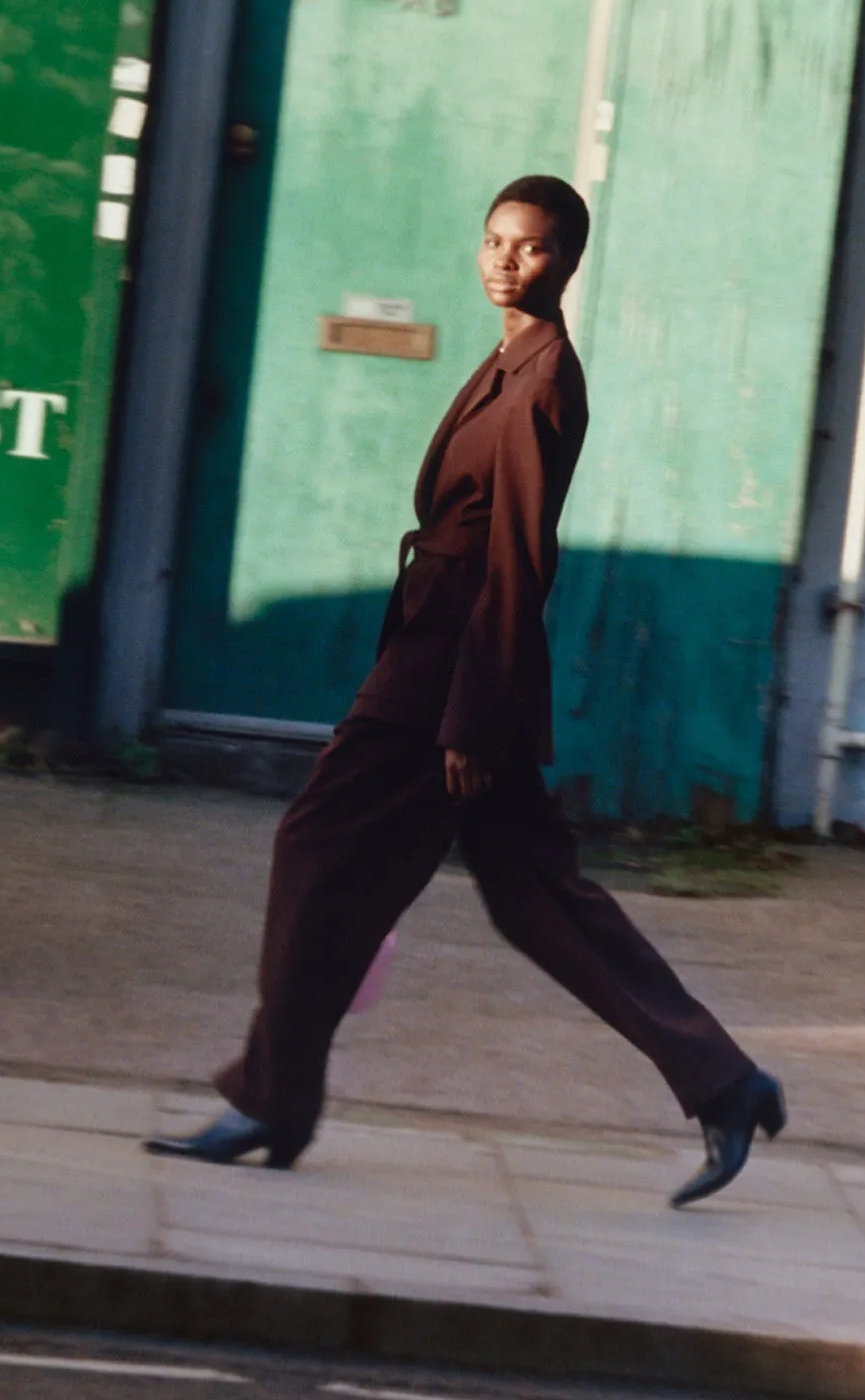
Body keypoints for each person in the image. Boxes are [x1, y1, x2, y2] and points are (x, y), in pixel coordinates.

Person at [146, 175, 785, 1207]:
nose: (502, 260)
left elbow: (516, 564)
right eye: (492, 240)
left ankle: (271, 1097)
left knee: (314, 846)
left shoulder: (542, 382)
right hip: (446, 666)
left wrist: (469, 717)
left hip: (445, 679)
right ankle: (723, 1080)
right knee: (538, 901)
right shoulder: (506, 361)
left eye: (528, 248)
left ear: (567, 261)